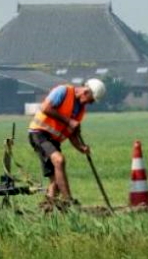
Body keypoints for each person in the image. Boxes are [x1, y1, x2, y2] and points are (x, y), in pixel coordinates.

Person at [28, 78, 106, 209]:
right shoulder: (62, 92)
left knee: (54, 182)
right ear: (86, 92)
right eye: (91, 100)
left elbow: (71, 133)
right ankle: (68, 200)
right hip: (39, 132)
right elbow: (46, 108)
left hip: (53, 140)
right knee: (59, 160)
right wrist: (69, 121)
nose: (90, 103)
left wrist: (81, 148)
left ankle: (48, 208)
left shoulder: (80, 110)